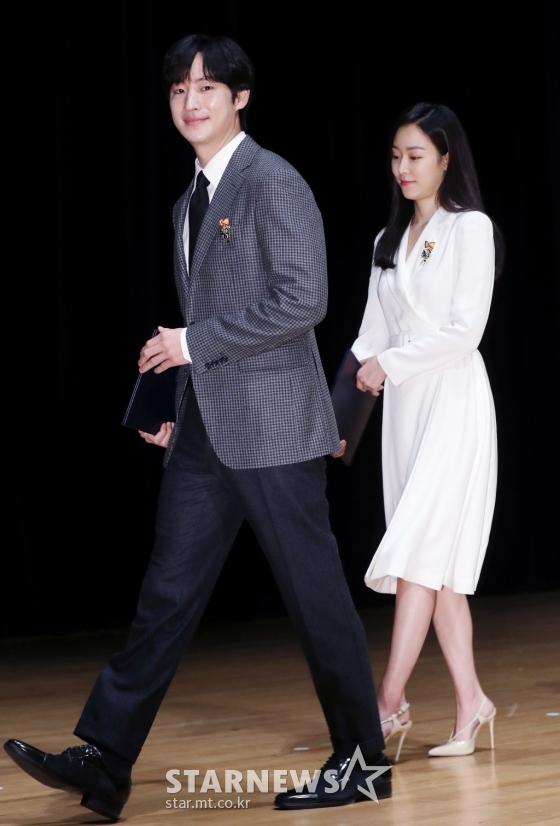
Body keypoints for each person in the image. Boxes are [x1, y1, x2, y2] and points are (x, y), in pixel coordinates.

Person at [4, 34, 392, 819]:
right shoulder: (188, 203)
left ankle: (363, 761)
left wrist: (190, 344)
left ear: (240, 97)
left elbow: (304, 299)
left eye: (208, 86)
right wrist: (175, 407)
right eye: (180, 88)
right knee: (166, 595)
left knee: (314, 596)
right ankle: (106, 759)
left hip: (275, 430)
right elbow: (210, 328)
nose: (191, 100)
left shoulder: (272, 180)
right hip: (205, 434)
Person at [352, 102, 502, 762]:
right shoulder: (386, 242)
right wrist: (337, 412)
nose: (403, 168)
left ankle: (387, 701)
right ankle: (472, 702)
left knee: (416, 553)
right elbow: (369, 338)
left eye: (415, 155)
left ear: (446, 159)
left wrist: (390, 363)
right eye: (396, 156)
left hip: (453, 402)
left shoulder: (470, 228)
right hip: (403, 413)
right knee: (434, 566)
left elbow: (465, 331)